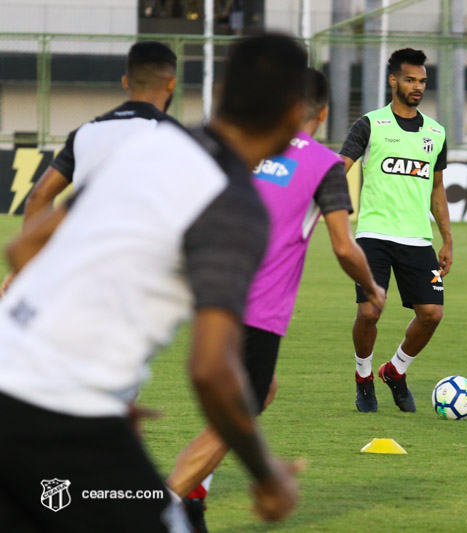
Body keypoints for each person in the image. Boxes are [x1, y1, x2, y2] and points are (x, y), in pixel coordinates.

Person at [0, 32, 308, 533]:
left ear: (222, 90)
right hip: (61, 417)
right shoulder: (234, 204)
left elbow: (24, 247)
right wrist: (267, 475)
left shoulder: (153, 147)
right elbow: (212, 369)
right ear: (295, 115)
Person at [168, 68, 387, 532]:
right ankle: (161, 508)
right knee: (237, 415)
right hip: (259, 312)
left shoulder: (243, 146)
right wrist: (371, 289)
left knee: (256, 396)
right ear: (323, 113)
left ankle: (193, 495)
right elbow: (345, 247)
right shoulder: (324, 164)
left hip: (211, 298)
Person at [1, 40, 178, 294]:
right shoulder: (172, 134)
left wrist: (24, 270)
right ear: (171, 83)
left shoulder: (85, 132)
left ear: (126, 82)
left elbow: (39, 196)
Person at [339, 48, 453, 413]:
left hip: (418, 237)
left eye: (422, 81)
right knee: (370, 311)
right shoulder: (370, 124)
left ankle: (396, 370)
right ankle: (363, 376)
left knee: (432, 314)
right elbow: (340, 167)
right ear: (393, 80)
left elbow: (437, 189)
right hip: (373, 235)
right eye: (410, 80)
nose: (417, 87)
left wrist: (447, 238)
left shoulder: (436, 133)